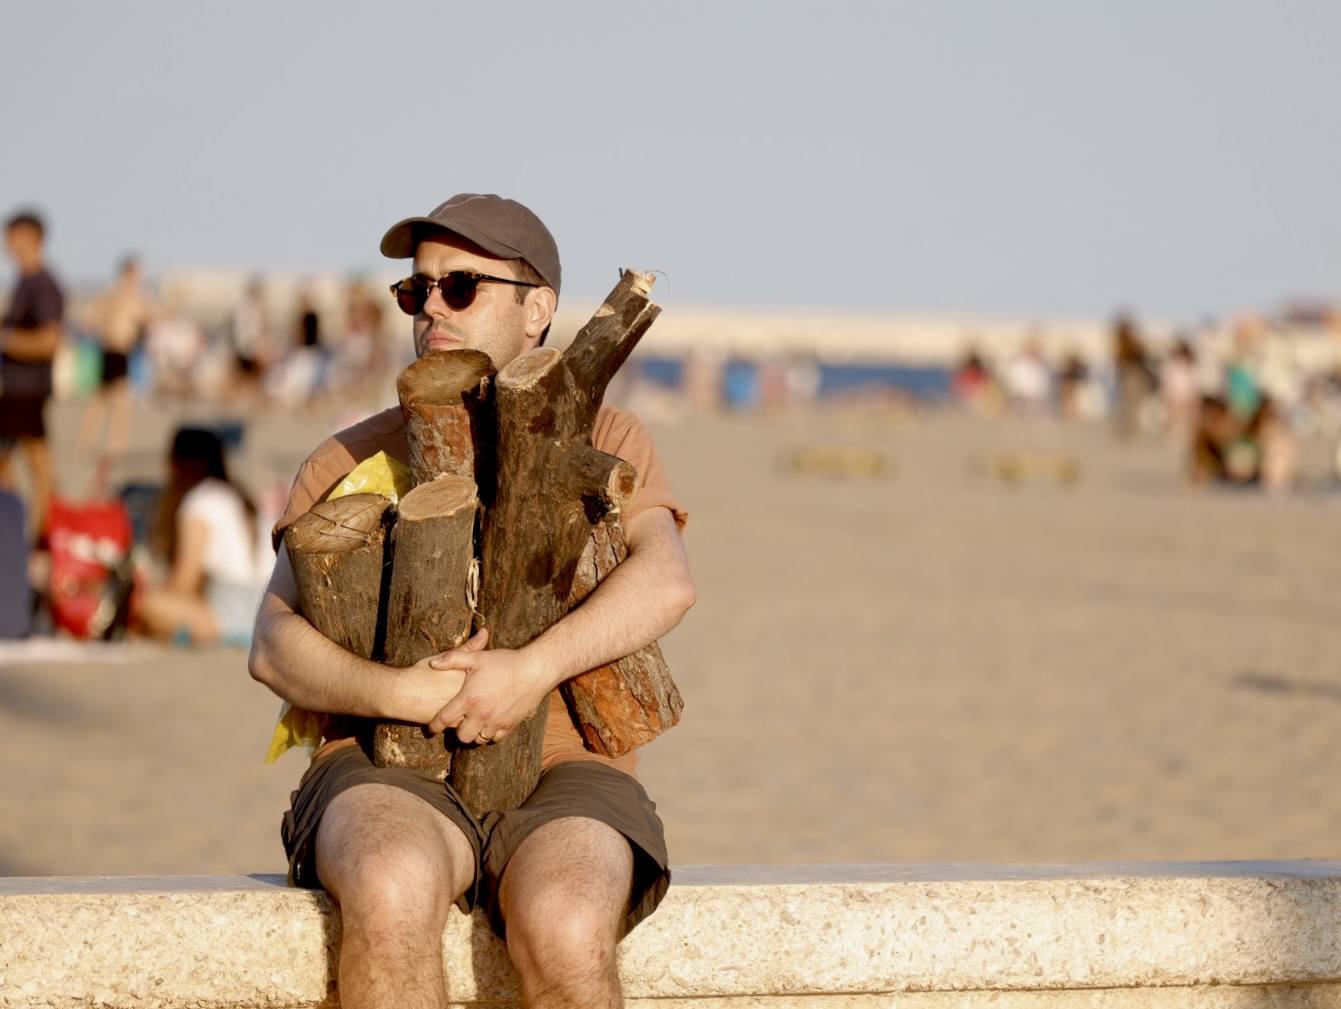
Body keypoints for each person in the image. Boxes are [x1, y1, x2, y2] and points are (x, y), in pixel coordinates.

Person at [248, 194, 696, 1009]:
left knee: (566, 922)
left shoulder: (609, 437)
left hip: (567, 763)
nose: (430, 311)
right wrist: (403, 693)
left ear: (538, 311)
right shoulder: (347, 456)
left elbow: (666, 579)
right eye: (415, 292)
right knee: (389, 886)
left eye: (461, 288)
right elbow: (271, 643)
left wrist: (529, 672)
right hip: (380, 762)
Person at [137, 427, 272, 644]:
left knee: (146, 604)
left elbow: (184, 582)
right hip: (271, 603)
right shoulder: (238, 496)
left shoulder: (199, 503)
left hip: (234, 610)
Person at [0, 209, 64, 538]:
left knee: (39, 467)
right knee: (22, 464)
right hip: (16, 389)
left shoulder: (42, 283)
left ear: (30, 237)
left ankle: (43, 531)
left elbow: (50, 341)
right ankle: (31, 528)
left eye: (11, 235)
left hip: (26, 390)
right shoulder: (26, 281)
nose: (6, 242)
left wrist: (6, 339)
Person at [78, 255, 156, 475]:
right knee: (113, 401)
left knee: (105, 399)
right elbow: (148, 317)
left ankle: (94, 443)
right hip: (116, 350)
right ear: (130, 273)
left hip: (114, 350)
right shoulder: (128, 296)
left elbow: (93, 316)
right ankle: (111, 446)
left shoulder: (115, 294)